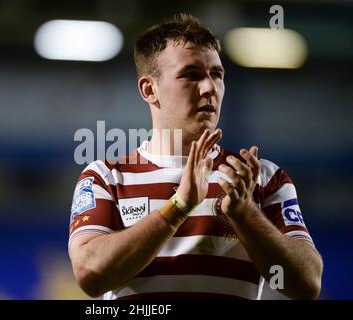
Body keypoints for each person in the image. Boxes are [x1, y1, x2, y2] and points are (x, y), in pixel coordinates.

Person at [68, 13, 323, 300]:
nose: (209, 88)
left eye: (217, 74)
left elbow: (307, 284)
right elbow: (90, 275)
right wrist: (178, 207)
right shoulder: (106, 177)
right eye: (191, 75)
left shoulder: (261, 178)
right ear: (149, 90)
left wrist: (247, 214)